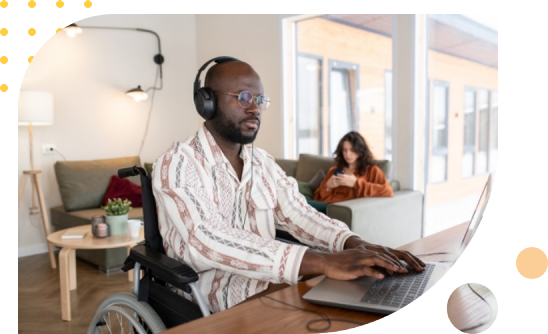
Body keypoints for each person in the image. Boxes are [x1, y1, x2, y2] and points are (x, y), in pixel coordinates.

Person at [151, 56, 425, 313]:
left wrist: (353, 243)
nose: (255, 108)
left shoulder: (263, 163)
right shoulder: (176, 163)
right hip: (206, 292)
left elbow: (299, 213)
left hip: (264, 278)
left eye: (260, 99)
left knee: (362, 290)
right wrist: (323, 261)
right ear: (206, 102)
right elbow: (206, 240)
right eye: (244, 97)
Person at [313, 131, 393, 204]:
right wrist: (327, 187)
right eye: (345, 150)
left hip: (343, 210)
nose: (347, 154)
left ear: (360, 151)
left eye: (352, 150)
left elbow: (388, 191)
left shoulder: (372, 171)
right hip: (326, 208)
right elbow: (317, 198)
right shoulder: (334, 170)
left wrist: (355, 183)